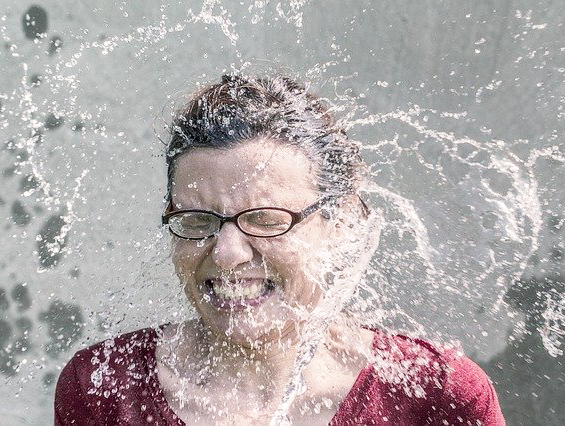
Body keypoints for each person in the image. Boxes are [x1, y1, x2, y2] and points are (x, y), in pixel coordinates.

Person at [55, 73, 505, 425]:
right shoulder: (104, 387)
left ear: (342, 221)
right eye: (197, 222)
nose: (227, 253)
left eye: (266, 219)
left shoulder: (438, 394)